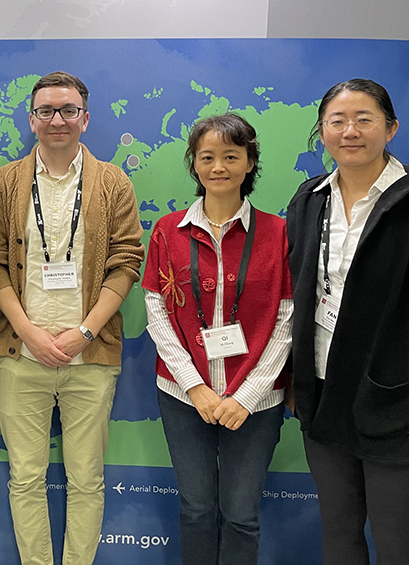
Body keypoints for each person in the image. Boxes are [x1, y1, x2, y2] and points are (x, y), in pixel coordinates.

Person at [286, 78, 409, 565]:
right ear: (322, 132)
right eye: (337, 121)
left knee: (393, 543)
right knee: (339, 535)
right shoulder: (308, 201)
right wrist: (298, 383)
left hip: (400, 408)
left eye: (364, 119)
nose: (350, 131)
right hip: (325, 401)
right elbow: (301, 298)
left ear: (390, 129)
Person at [0, 71, 144, 565]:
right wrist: (29, 332)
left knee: (87, 480)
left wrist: (85, 331)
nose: (58, 119)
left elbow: (126, 261)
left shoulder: (113, 181)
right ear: (31, 120)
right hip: (20, 353)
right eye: (47, 111)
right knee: (26, 479)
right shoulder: (7, 181)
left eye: (68, 110)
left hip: (89, 354)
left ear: (85, 119)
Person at [143, 114, 292, 565]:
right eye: (207, 157)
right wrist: (196, 387)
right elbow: (156, 312)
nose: (219, 167)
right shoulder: (169, 231)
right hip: (183, 395)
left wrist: (245, 396)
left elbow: (287, 318)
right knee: (196, 509)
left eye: (231, 156)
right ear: (194, 164)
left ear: (250, 163)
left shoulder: (278, 232)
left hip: (256, 400)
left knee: (242, 514)